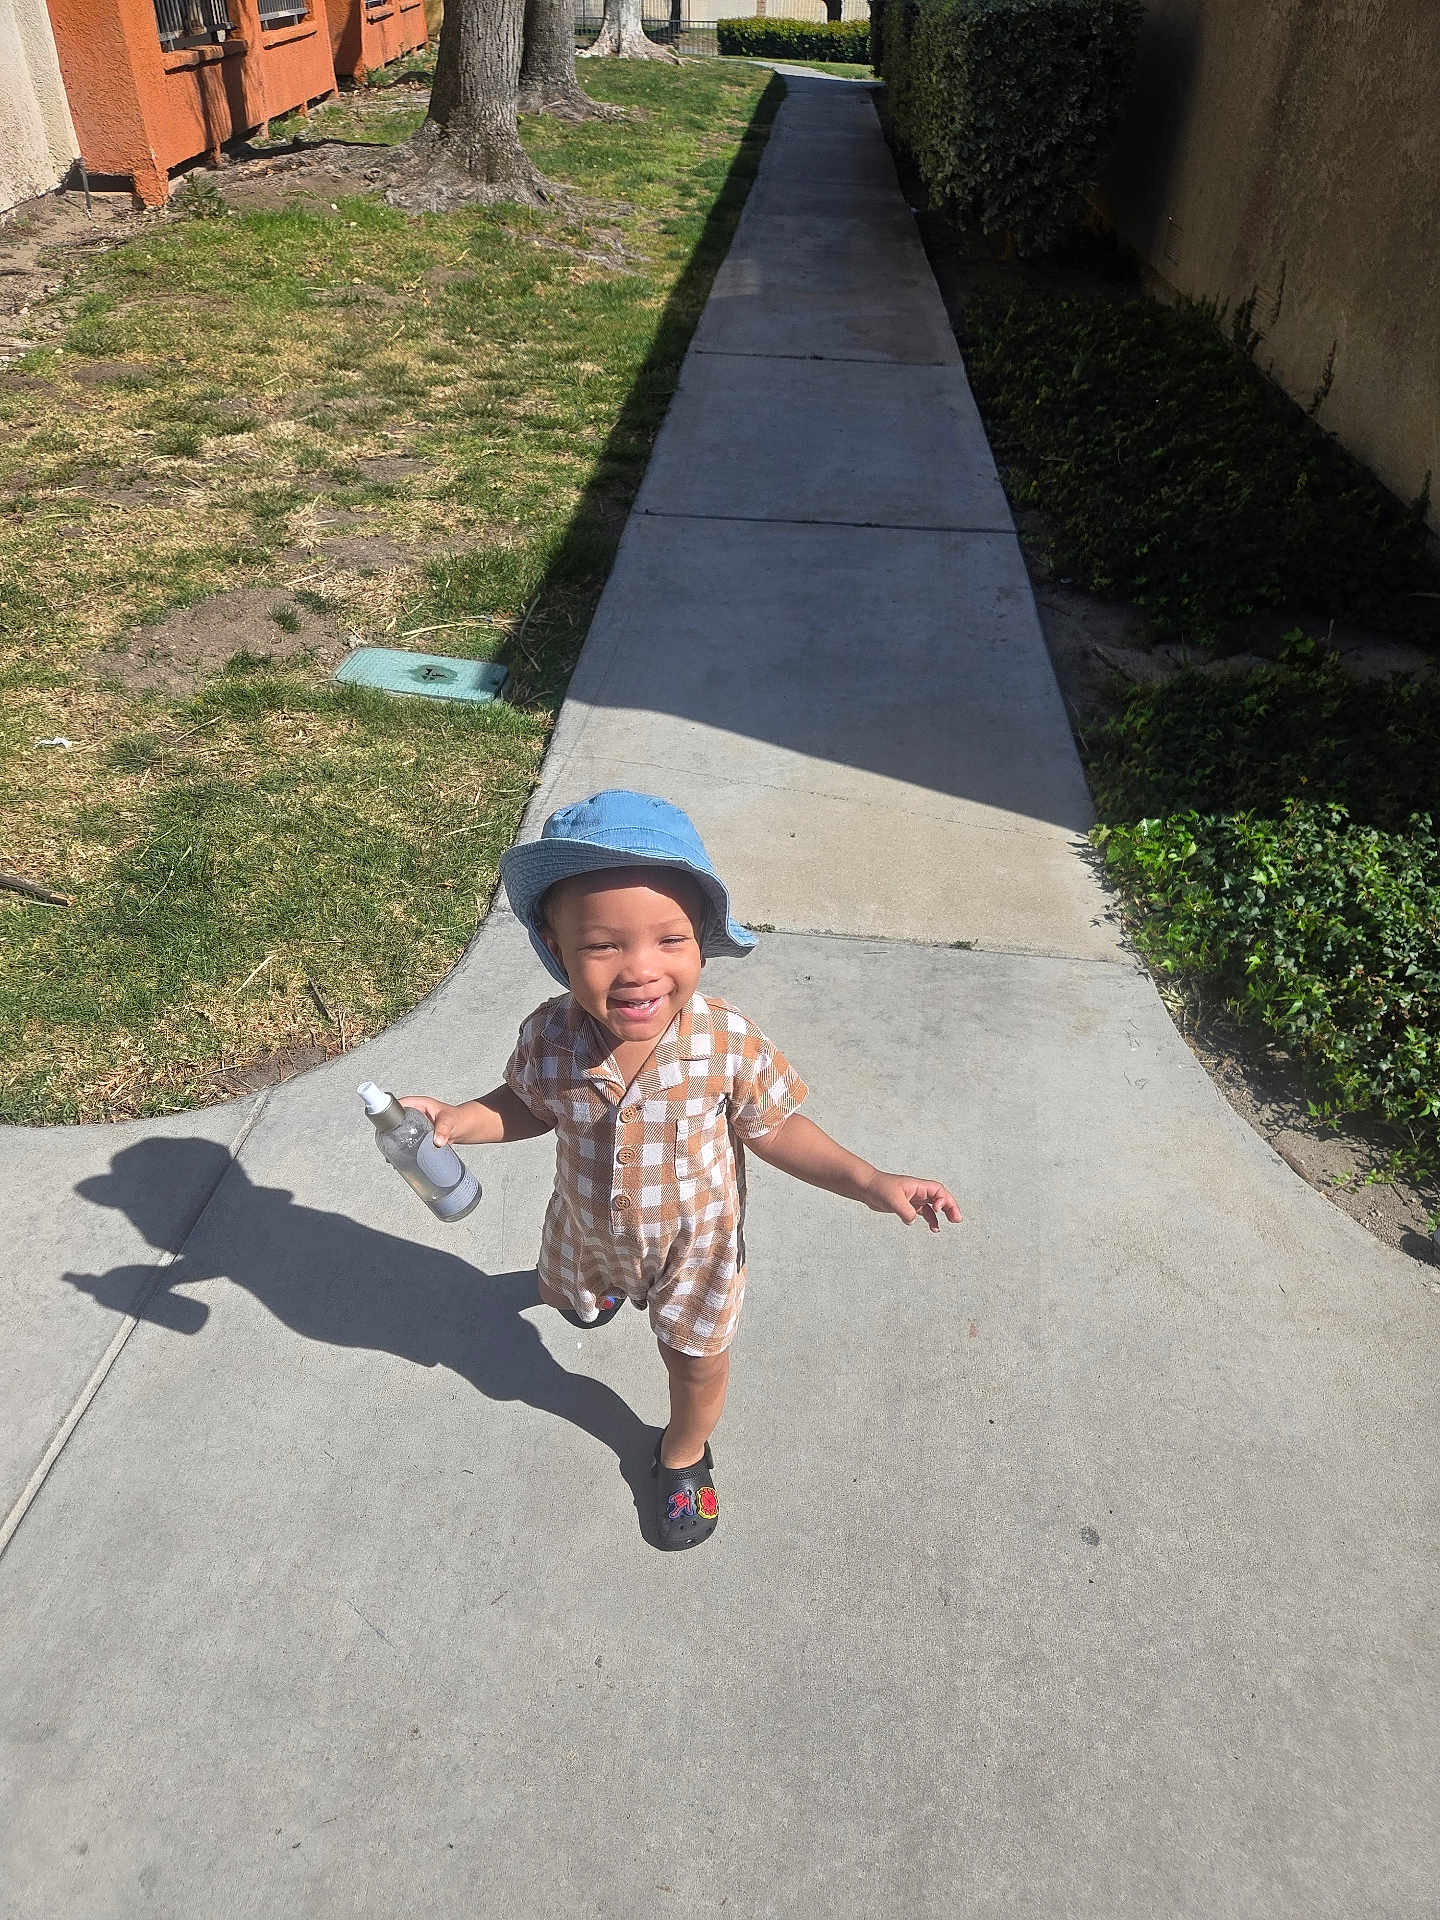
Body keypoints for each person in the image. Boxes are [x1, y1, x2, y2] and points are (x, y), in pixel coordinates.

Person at [400, 790, 961, 1550]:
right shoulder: (551, 1037)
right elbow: (531, 1107)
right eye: (603, 945)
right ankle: (596, 1290)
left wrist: (871, 1181)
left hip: (695, 1250)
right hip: (589, 1224)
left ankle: (684, 1453)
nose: (640, 970)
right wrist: (460, 1121)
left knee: (696, 1366)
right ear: (556, 946)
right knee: (563, 1285)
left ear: (700, 942)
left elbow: (776, 1126)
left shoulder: (726, 1042)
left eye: (669, 940)